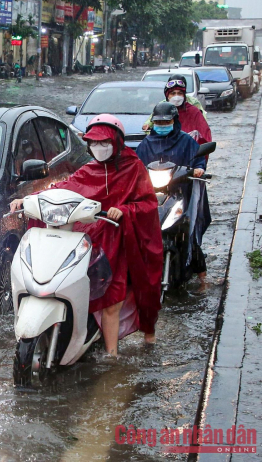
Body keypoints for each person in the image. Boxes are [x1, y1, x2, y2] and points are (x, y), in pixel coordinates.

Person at [9, 115, 163, 355]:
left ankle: (112, 356)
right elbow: (62, 188)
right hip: (89, 237)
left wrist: (124, 210)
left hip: (118, 241)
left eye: (105, 143)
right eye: (94, 143)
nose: (99, 148)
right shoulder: (89, 169)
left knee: (112, 300)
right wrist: (29, 199)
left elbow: (147, 205)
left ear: (117, 142)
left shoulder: (134, 168)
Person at [136, 102, 210, 290]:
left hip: (180, 191)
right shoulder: (146, 144)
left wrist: (199, 169)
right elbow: (136, 164)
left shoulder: (185, 141)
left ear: (174, 121)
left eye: (166, 122)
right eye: (158, 123)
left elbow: (199, 158)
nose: (162, 126)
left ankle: (203, 279)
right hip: (153, 195)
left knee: (189, 232)